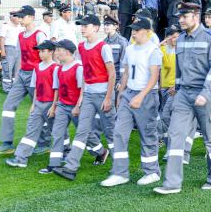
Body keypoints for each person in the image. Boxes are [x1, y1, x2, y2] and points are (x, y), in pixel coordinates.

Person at [153, 2, 211, 194]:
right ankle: (172, 183)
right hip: (184, 93)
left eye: (184, 16)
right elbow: (179, 66)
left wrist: (205, 93)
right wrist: (176, 86)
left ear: (195, 16)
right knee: (175, 134)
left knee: (210, 136)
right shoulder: (181, 39)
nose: (181, 20)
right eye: (180, 16)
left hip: (205, 94)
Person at [101, 17, 162, 187]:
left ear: (147, 31)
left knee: (147, 133)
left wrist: (141, 96)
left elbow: (154, 77)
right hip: (129, 94)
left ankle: (152, 171)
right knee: (119, 132)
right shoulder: (130, 49)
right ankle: (120, 173)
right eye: (133, 29)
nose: (133, 32)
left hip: (147, 95)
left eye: (137, 29)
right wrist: (121, 94)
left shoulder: (153, 50)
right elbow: (126, 73)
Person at [53, 15, 115, 181]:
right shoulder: (80, 47)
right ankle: (71, 168)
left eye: (85, 26)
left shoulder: (104, 47)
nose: (82, 28)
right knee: (81, 131)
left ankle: (119, 167)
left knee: (110, 132)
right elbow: (84, 74)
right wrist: (81, 99)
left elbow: (112, 73)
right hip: (88, 95)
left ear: (95, 27)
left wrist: (108, 98)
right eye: (81, 26)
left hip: (102, 95)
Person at [37, 39, 104, 174]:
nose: (56, 53)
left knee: (85, 133)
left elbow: (83, 90)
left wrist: (78, 106)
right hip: (62, 105)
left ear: (67, 52)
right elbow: (57, 89)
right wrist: (55, 106)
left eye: (59, 50)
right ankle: (53, 164)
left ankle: (101, 152)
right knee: (57, 133)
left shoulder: (78, 67)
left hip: (76, 107)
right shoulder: (59, 68)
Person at [0, 5, 48, 155]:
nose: (19, 19)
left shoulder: (39, 35)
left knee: (39, 110)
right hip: (22, 75)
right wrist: (18, 76)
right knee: (8, 106)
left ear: (31, 17)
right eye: (19, 16)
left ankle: (45, 142)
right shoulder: (21, 36)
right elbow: (20, 57)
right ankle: (7, 142)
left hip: (37, 76)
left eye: (22, 16)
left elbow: (48, 57)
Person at [5, 40, 59, 168]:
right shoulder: (37, 67)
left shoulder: (55, 68)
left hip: (50, 104)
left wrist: (54, 106)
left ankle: (65, 154)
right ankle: (21, 158)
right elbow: (35, 88)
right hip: (39, 104)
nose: (40, 53)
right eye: (39, 51)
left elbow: (57, 89)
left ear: (51, 52)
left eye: (43, 51)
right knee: (31, 131)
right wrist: (33, 104)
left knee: (58, 132)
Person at [103, 15, 128, 100]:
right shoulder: (104, 42)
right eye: (105, 24)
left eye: (108, 25)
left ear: (115, 26)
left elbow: (124, 64)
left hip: (117, 79)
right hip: (106, 79)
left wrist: (121, 82)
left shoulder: (122, 41)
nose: (105, 27)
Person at [0, 12, 24, 92]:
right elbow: (2, 39)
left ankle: (14, 88)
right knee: (7, 69)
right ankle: (7, 88)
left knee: (17, 70)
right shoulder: (6, 26)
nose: (19, 19)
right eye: (17, 17)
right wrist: (3, 51)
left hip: (18, 49)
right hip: (9, 48)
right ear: (11, 17)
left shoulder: (21, 27)